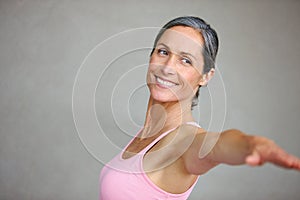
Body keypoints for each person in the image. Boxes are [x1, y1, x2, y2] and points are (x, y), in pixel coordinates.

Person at [99, 16, 300, 200]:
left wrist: (249, 144)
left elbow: (216, 146)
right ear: (151, 57)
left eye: (185, 60)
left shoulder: (185, 141)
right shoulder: (147, 133)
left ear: (206, 76)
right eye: (163, 52)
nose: (168, 67)